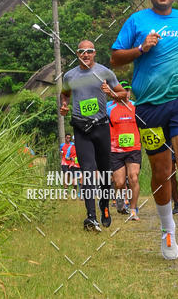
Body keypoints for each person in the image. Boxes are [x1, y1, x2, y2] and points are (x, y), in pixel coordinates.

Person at [111, 0, 178, 259]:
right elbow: (115, 59)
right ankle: (168, 230)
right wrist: (141, 49)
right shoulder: (136, 21)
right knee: (161, 170)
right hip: (149, 105)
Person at [60, 39, 126, 232]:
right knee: (87, 171)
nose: (86, 54)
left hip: (101, 127)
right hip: (81, 128)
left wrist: (111, 92)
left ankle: (104, 204)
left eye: (89, 51)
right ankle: (91, 217)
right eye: (82, 51)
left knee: (105, 171)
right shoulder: (70, 75)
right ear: (77, 54)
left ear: (94, 53)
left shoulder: (104, 72)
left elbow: (123, 94)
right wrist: (64, 105)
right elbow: (65, 94)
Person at [107, 82, 141, 221]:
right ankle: (120, 200)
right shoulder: (109, 108)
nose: (126, 93)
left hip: (134, 148)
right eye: (123, 90)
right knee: (119, 182)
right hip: (116, 150)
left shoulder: (136, 106)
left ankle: (133, 210)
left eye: (128, 90)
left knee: (133, 177)